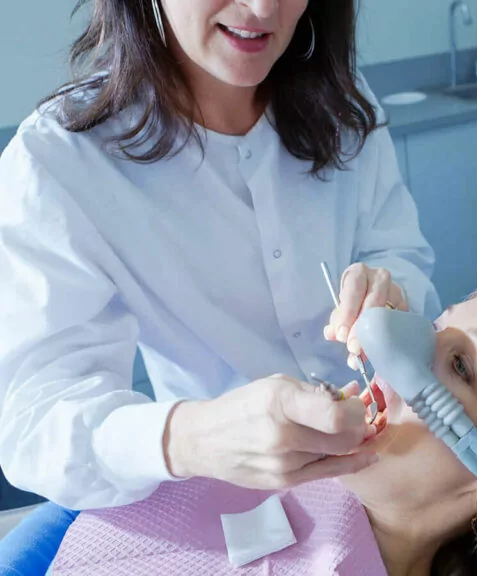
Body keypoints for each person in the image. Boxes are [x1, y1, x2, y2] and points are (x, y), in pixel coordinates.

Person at [0, 0, 440, 511]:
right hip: (227, 498)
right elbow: (35, 421)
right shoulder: (58, 164)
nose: (261, 8)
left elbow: (401, 251)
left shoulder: (344, 100)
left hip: (390, 463)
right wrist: (192, 438)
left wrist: (390, 292)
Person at [48, 276, 477, 576]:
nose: (387, 333)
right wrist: (184, 438)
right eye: (435, 320)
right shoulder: (257, 454)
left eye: (460, 365)